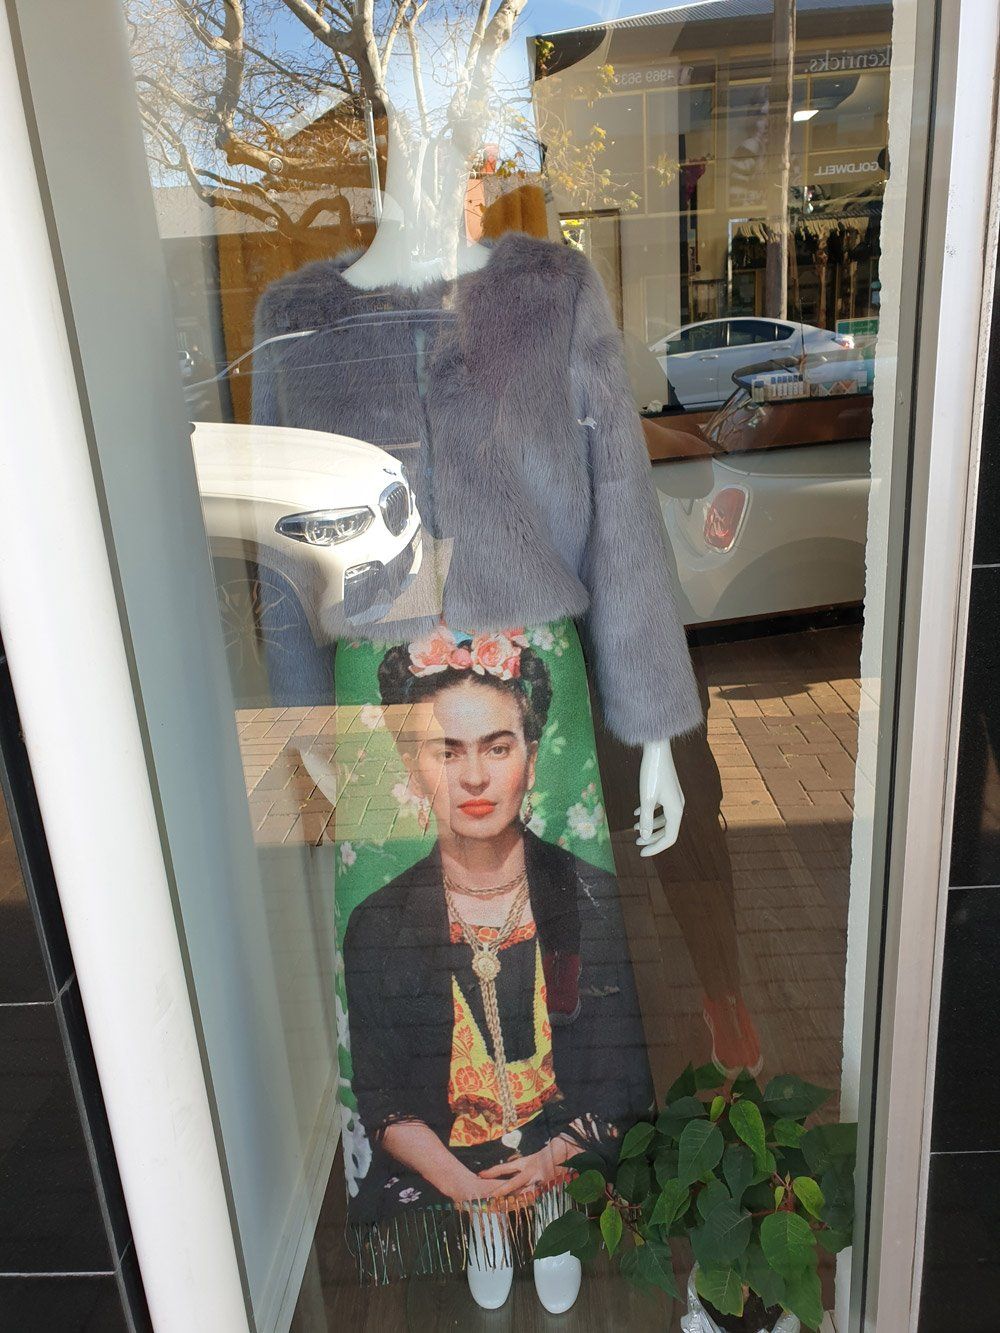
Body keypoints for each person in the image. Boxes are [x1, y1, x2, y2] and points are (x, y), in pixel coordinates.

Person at [341, 625, 653, 1227]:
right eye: (447, 751)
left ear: (531, 762)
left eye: (498, 747)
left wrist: (552, 1161)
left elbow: (625, 1082)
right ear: (412, 769)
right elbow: (382, 1100)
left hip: (574, 1166)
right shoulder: (377, 926)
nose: (475, 778)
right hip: (443, 1183)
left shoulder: (591, 899)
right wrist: (465, 1185)